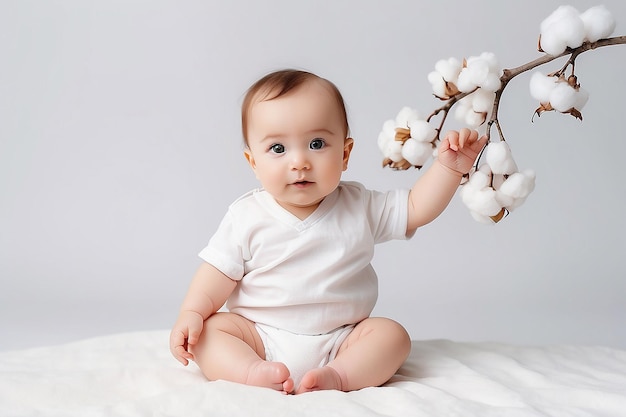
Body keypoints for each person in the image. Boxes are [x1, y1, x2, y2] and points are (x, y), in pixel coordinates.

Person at [169, 69, 487, 394]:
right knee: (210, 332)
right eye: (278, 149)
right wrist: (192, 312)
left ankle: (338, 376)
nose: (299, 162)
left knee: (392, 336)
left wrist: (449, 168)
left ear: (345, 154)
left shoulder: (358, 205)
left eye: (316, 144)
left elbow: (417, 208)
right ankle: (252, 372)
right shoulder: (246, 216)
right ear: (253, 162)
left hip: (342, 338)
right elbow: (217, 273)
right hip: (258, 335)